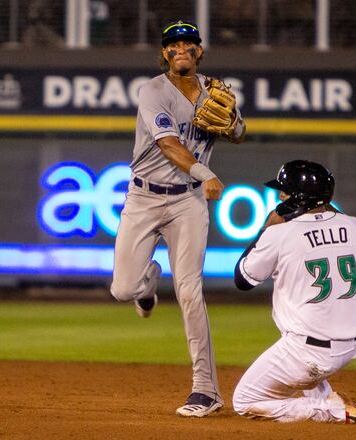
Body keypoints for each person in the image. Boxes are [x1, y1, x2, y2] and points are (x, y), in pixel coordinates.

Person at [110, 20, 246, 418]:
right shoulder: (153, 90)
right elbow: (169, 145)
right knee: (123, 289)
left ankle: (206, 390)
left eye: (188, 42)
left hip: (187, 204)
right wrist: (206, 173)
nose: (181, 48)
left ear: (199, 51)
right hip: (143, 198)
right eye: (173, 44)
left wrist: (234, 118)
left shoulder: (214, 91)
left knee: (190, 293)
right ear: (165, 53)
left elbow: (238, 132)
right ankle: (147, 282)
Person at [232, 160, 356, 424]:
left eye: (283, 193)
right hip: (353, 344)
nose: (279, 197)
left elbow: (243, 279)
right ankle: (327, 395)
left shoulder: (280, 233)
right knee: (300, 315)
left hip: (308, 353)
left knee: (244, 401)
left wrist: (265, 229)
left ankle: (329, 410)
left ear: (297, 199)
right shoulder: (354, 226)